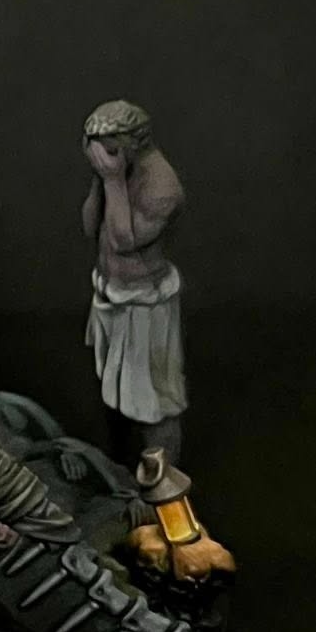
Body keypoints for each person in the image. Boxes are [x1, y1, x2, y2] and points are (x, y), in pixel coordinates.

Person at [81, 99, 187, 463]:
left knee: (154, 402)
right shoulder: (117, 169)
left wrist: (112, 179)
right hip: (110, 295)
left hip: (144, 303)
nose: (99, 155)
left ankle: (166, 479)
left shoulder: (162, 187)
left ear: (131, 142)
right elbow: (90, 227)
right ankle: (122, 466)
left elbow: (124, 241)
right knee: (116, 394)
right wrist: (101, 180)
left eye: (107, 146)